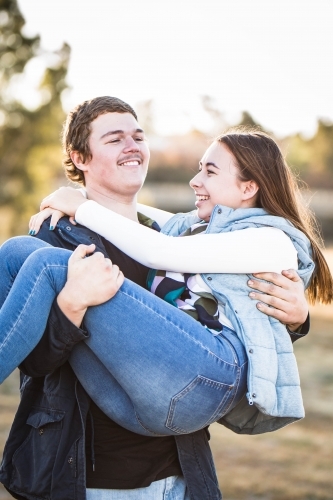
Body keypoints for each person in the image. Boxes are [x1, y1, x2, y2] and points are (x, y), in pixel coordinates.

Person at [0, 97, 313, 500]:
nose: (194, 181)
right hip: (96, 459)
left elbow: (161, 252)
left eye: (138, 136)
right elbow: (36, 363)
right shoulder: (63, 234)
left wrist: (298, 318)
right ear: (80, 158)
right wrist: (71, 305)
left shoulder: (181, 240)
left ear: (249, 186)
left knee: (47, 267)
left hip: (178, 443)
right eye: (115, 139)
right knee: (14, 251)